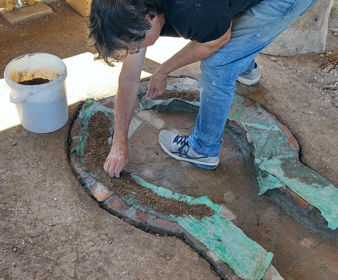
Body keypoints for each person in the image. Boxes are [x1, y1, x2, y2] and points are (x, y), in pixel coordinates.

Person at [89, 0, 318, 177]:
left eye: (136, 42)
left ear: (150, 16)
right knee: (224, 21)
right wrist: (119, 141)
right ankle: (244, 65)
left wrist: (163, 70)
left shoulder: (191, 9)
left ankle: (204, 150)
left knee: (218, 64)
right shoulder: (136, 11)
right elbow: (129, 79)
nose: (134, 49)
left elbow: (215, 40)